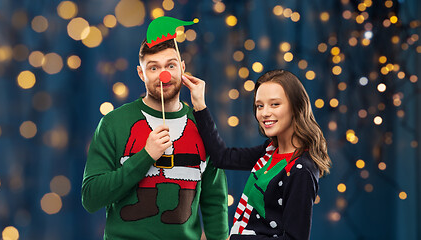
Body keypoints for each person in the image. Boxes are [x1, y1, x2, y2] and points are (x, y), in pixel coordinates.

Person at [81, 38, 229, 239]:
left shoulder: (202, 125)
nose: (164, 75)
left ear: (182, 68)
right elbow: (91, 198)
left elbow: (215, 200)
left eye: (170, 65)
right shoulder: (113, 123)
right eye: (153, 68)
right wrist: (146, 156)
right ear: (141, 73)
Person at [182, 69, 331, 239]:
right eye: (260, 105)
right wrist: (200, 104)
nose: (265, 113)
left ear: (296, 107)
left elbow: (293, 238)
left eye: (275, 104)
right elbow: (222, 157)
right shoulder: (269, 152)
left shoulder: (300, 170)